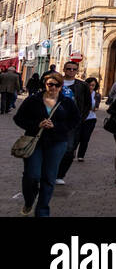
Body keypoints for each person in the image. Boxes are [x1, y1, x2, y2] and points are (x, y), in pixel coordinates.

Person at [13, 71, 80, 216]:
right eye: (50, 84)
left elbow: (75, 120)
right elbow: (18, 118)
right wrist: (37, 124)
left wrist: (56, 126)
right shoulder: (33, 100)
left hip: (57, 142)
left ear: (61, 86)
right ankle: (29, 200)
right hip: (34, 141)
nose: (53, 87)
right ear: (45, 84)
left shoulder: (67, 102)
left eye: (57, 85)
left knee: (49, 177)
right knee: (32, 175)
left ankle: (42, 210)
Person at [54, 61, 92, 184]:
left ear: (77, 71)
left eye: (74, 69)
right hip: (54, 120)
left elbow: (87, 103)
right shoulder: (56, 83)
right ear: (64, 69)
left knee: (69, 149)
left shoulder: (82, 86)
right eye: (69, 69)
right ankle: (50, 171)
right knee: (52, 147)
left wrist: (82, 117)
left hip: (73, 122)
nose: (71, 71)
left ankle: (60, 174)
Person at [73, 77, 101, 162]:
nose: (90, 87)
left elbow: (96, 107)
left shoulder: (96, 95)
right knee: (76, 136)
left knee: (85, 137)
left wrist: (94, 108)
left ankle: (81, 155)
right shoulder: (80, 93)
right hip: (80, 118)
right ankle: (72, 151)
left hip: (90, 118)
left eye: (93, 85)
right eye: (89, 85)